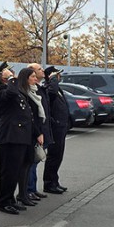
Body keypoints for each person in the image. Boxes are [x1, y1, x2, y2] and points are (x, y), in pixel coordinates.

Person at [0, 68, 44, 215]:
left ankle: (11, 200)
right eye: (10, 74)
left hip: (21, 136)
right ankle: (4, 202)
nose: (13, 76)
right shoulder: (1, 90)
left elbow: (28, 114)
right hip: (11, 136)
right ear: (3, 78)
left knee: (15, 171)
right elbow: (11, 93)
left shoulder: (16, 91)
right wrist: (11, 79)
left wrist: (36, 132)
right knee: (8, 172)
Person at [26, 63, 53, 201]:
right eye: (39, 69)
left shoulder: (39, 89)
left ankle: (33, 189)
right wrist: (38, 133)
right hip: (35, 133)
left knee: (36, 162)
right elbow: (32, 115)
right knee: (31, 162)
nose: (43, 70)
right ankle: (28, 190)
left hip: (43, 130)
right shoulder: (28, 91)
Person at [43, 66, 69, 194]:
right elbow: (51, 93)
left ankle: (55, 180)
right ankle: (49, 183)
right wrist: (52, 80)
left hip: (61, 127)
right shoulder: (49, 88)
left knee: (59, 155)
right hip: (55, 127)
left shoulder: (57, 89)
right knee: (53, 156)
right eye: (57, 75)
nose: (59, 77)